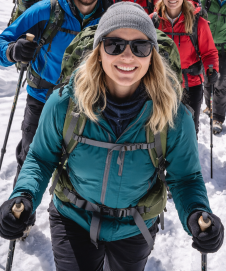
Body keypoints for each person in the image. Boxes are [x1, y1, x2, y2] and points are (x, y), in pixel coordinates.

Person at [0, 3, 224, 271]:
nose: (127, 57)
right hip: (73, 219)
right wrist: (23, 195)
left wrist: (196, 212)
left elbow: (186, 177)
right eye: (114, 45)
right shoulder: (64, 104)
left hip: (135, 226)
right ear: (97, 52)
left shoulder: (173, 117)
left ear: (152, 55)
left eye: (140, 47)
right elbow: (40, 157)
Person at [0, 0, 112, 225]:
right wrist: (13, 51)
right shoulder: (46, 10)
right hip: (42, 98)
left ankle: (70, 224)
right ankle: (22, 213)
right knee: (32, 157)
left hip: (86, 105)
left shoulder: (109, 17)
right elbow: (4, 41)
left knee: (80, 167)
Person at [150, 0, 219, 135]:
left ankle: (189, 155)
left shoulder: (198, 22)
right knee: (161, 129)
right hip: (161, 84)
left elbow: (209, 52)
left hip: (190, 85)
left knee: (189, 129)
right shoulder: (153, 21)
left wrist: (211, 69)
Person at [201, 0, 226, 134]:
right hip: (206, 49)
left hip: (223, 50)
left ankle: (218, 118)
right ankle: (209, 106)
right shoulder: (207, 2)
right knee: (207, 79)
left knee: (221, 84)